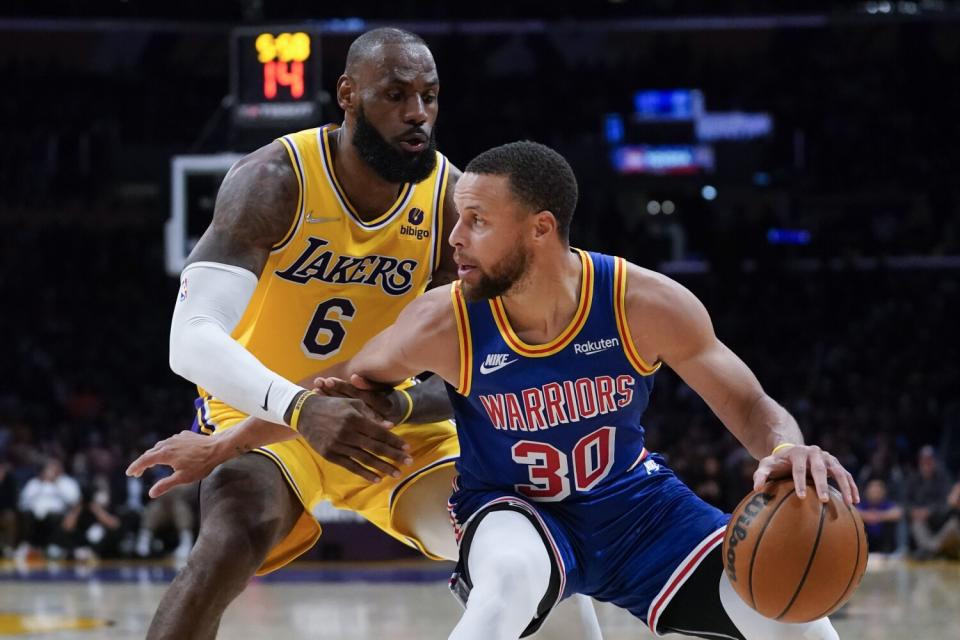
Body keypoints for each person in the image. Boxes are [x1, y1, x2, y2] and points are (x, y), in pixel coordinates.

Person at [127, 29, 600, 640]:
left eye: (429, 95)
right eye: (396, 95)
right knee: (231, 536)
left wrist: (393, 400)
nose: (418, 114)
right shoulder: (276, 180)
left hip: (386, 416)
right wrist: (300, 409)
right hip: (264, 407)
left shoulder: (450, 206)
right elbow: (189, 337)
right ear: (347, 95)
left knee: (527, 544)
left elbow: (491, 361)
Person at [311, 141, 859, 639]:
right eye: (458, 219)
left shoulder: (641, 302)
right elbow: (338, 388)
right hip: (516, 509)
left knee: (802, 627)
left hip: (636, 508)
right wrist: (242, 434)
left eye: (477, 221)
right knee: (504, 584)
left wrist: (787, 449)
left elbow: (749, 404)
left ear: (540, 228)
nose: (455, 236)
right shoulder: (444, 319)